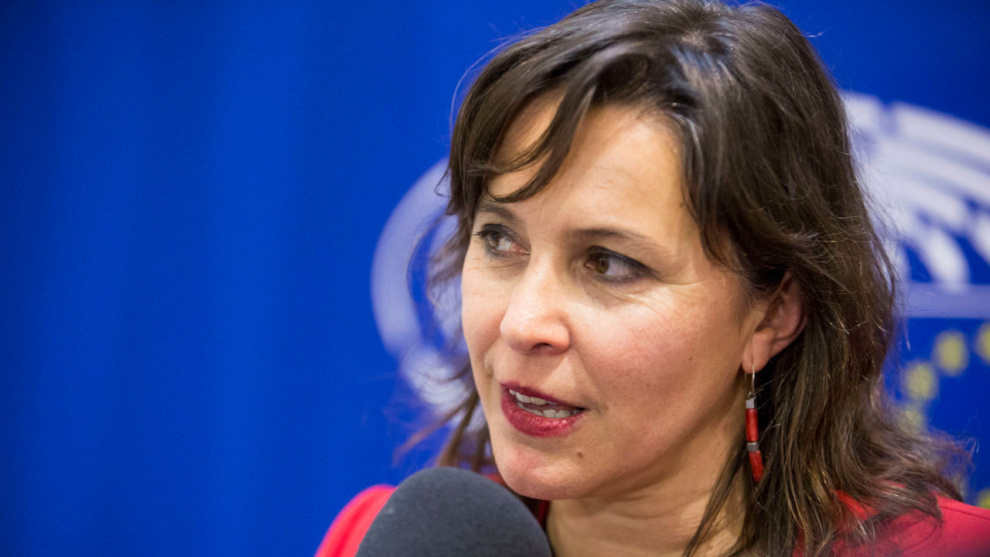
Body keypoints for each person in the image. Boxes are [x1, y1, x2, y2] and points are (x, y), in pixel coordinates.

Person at [318, 0, 990, 555]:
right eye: (499, 239)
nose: (521, 323)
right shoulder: (375, 539)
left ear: (772, 314)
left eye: (608, 263)